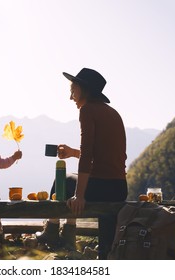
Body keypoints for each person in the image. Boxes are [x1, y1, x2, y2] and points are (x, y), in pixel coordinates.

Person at [37, 68, 128, 253]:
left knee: (63, 179)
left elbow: (87, 156)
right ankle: (103, 256)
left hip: (100, 187)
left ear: (84, 90)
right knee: (106, 246)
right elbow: (103, 155)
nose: (71, 97)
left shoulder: (87, 110)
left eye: (73, 90)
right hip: (119, 188)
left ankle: (55, 230)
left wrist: (79, 196)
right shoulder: (112, 112)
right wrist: (72, 152)